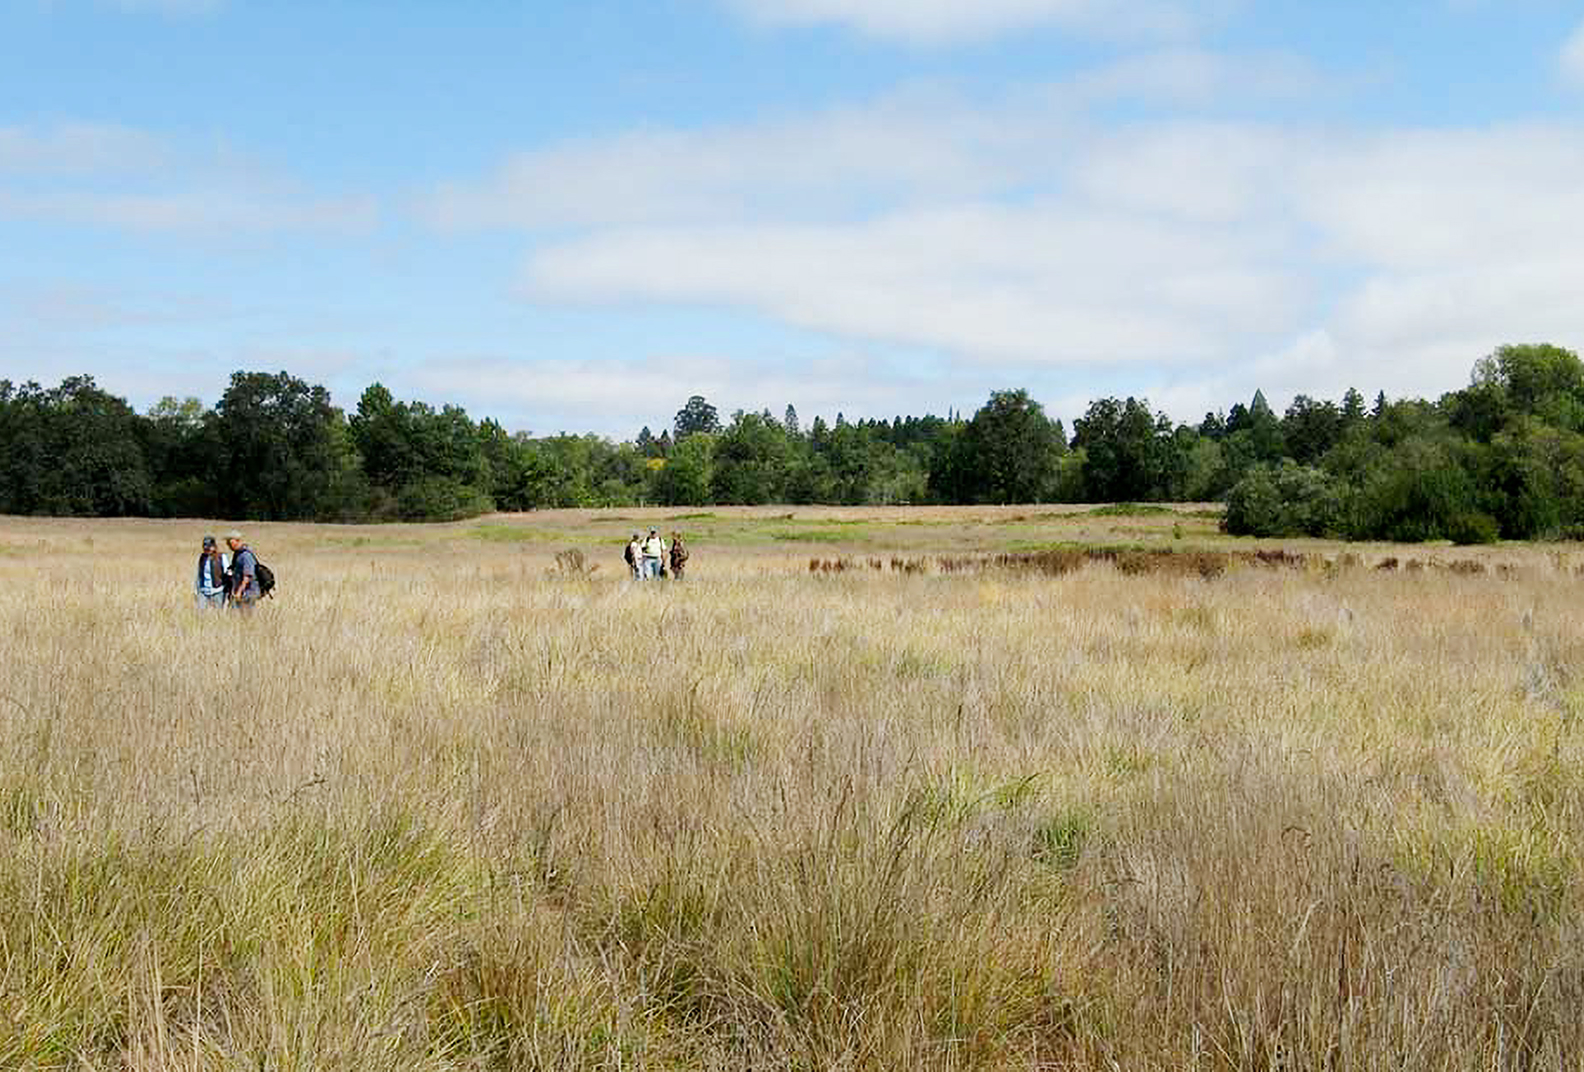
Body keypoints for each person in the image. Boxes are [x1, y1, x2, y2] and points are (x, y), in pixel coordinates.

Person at [225, 530, 259, 610]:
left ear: (238, 541)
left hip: (248, 592)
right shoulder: (238, 554)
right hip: (239, 591)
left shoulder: (246, 555)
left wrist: (239, 591)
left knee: (246, 616)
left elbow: (247, 575)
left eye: (230, 543)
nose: (228, 546)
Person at [195, 534, 228, 608]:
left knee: (217, 613)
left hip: (217, 591)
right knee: (201, 613)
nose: (207, 549)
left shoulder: (222, 557)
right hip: (203, 591)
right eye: (205, 547)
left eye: (209, 547)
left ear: (214, 547)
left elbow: (227, 574)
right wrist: (197, 589)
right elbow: (199, 575)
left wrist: (227, 590)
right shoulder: (202, 557)